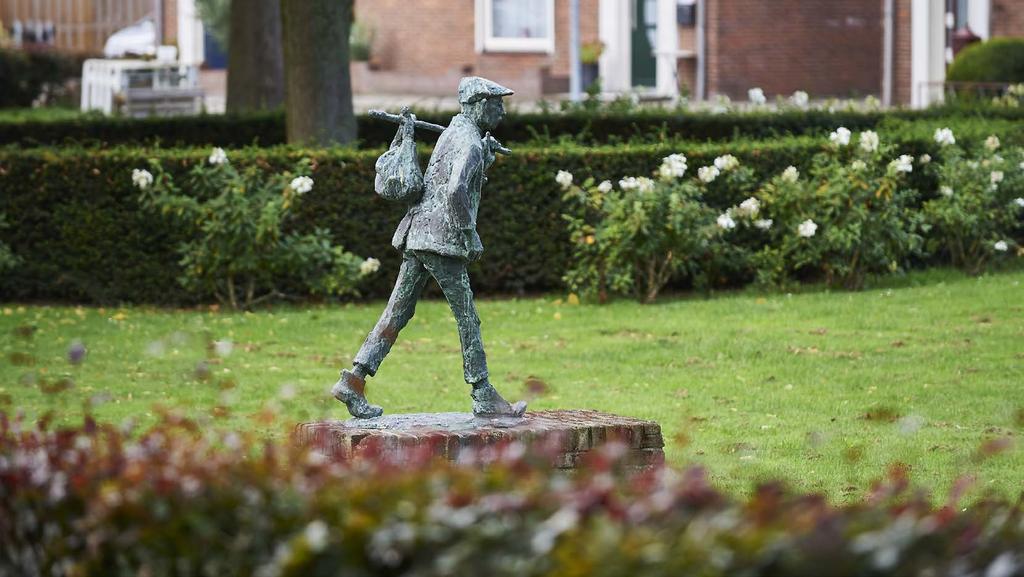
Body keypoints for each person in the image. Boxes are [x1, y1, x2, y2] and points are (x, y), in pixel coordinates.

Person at [331, 77, 527, 419]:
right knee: (467, 317)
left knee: (397, 312)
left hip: (417, 233)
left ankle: (354, 380)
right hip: (440, 240)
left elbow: (448, 181)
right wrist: (469, 233)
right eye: (497, 104)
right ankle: (482, 392)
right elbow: (454, 192)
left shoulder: (455, 133)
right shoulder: (468, 141)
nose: (502, 111)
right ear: (479, 104)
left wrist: (485, 159)